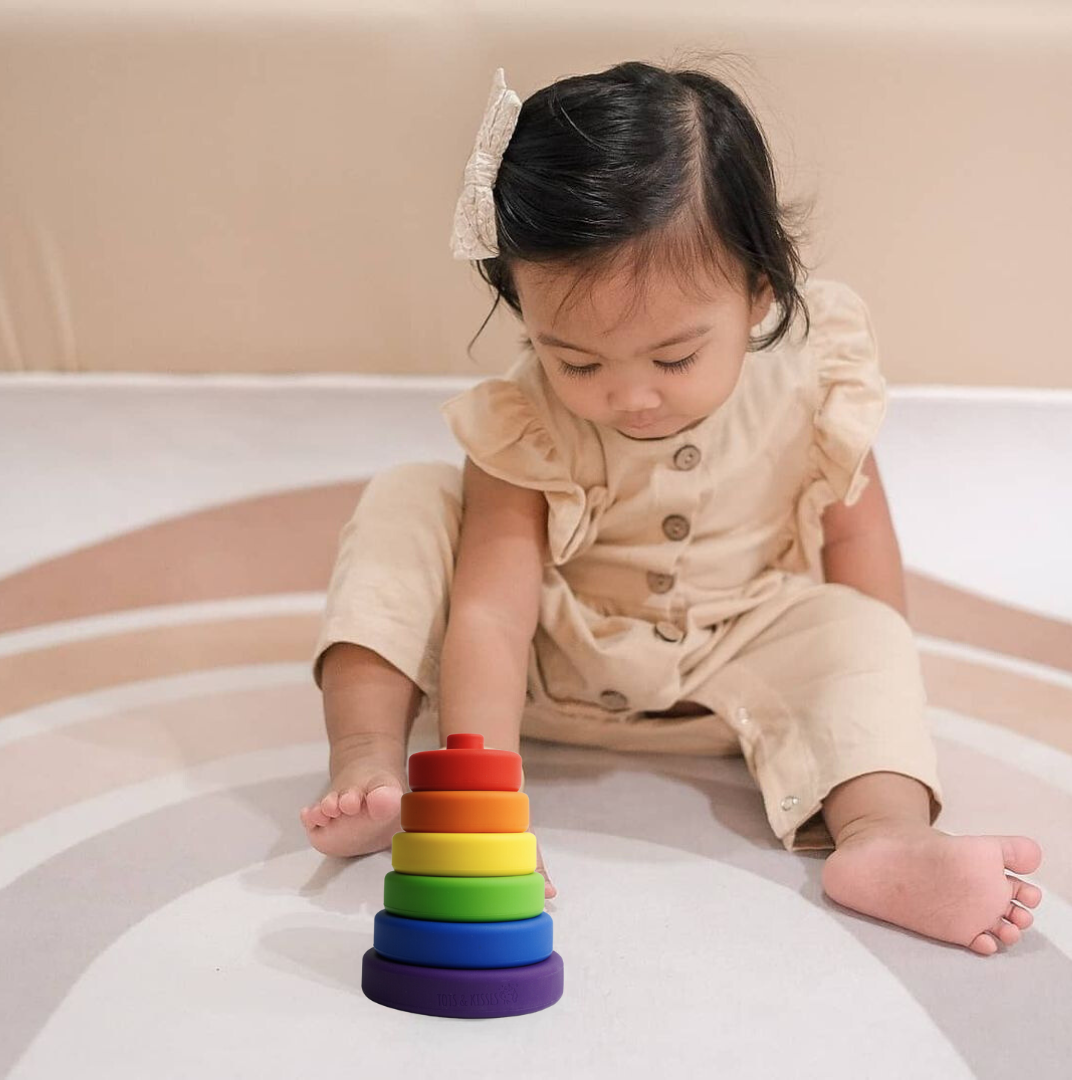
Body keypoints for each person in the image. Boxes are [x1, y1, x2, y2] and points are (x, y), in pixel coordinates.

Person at [300, 60, 1043, 955]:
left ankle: (884, 835)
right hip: (552, 659)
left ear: (761, 292)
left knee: (856, 629)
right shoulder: (523, 419)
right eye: (578, 362)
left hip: (739, 657)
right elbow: (493, 615)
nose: (631, 397)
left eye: (674, 358)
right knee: (407, 500)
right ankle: (369, 759)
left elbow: (855, 534)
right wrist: (482, 811)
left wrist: (872, 704)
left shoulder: (817, 373)